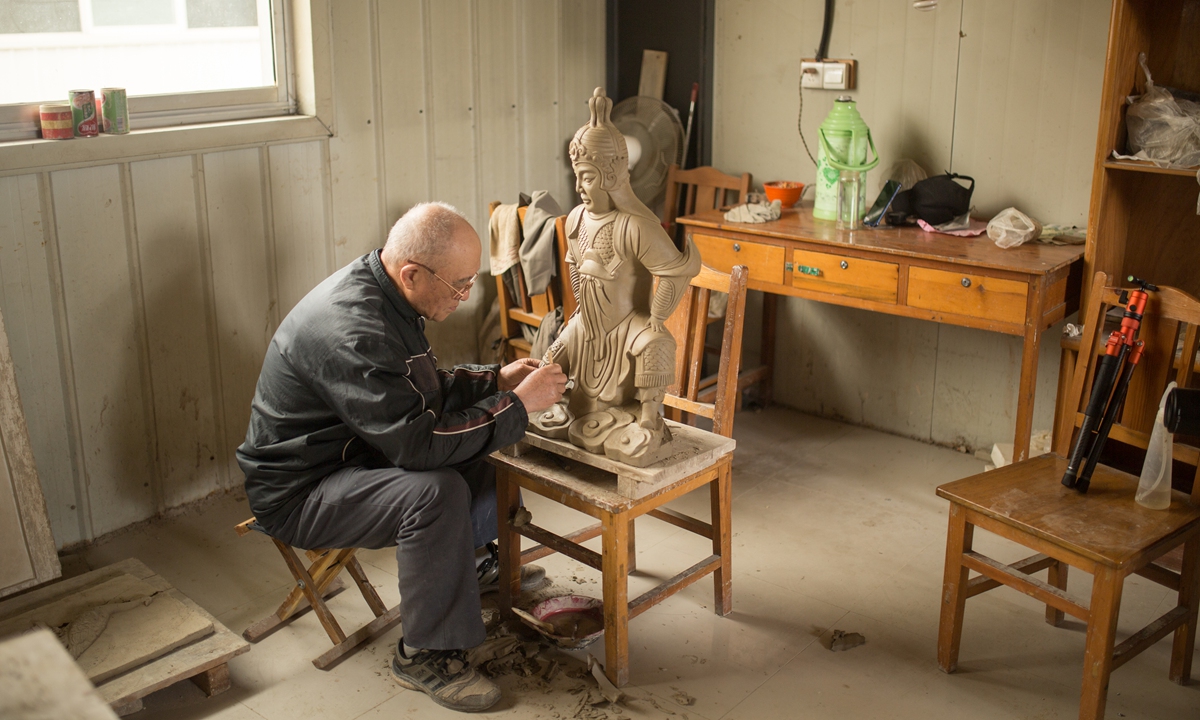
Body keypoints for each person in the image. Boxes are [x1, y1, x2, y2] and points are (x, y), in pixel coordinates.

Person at [237, 202, 567, 713]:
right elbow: (418, 446)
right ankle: (426, 653)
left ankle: (471, 563)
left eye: (469, 282)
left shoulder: (389, 293)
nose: (465, 296)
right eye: (459, 285)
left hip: (357, 450)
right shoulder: (356, 329)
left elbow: (416, 395)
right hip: (301, 490)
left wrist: (493, 381)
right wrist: (518, 405)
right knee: (435, 491)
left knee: (483, 438)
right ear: (412, 272)